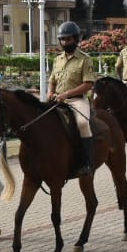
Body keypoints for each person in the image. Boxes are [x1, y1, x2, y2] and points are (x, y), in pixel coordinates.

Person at [49, 21, 97, 176]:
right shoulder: (58, 59)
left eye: (68, 39)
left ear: (76, 40)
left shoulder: (85, 59)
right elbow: (52, 80)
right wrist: (51, 92)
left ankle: (88, 163)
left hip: (77, 100)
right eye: (62, 39)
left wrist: (66, 95)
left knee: (83, 123)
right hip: (57, 99)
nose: (65, 42)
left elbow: (88, 84)